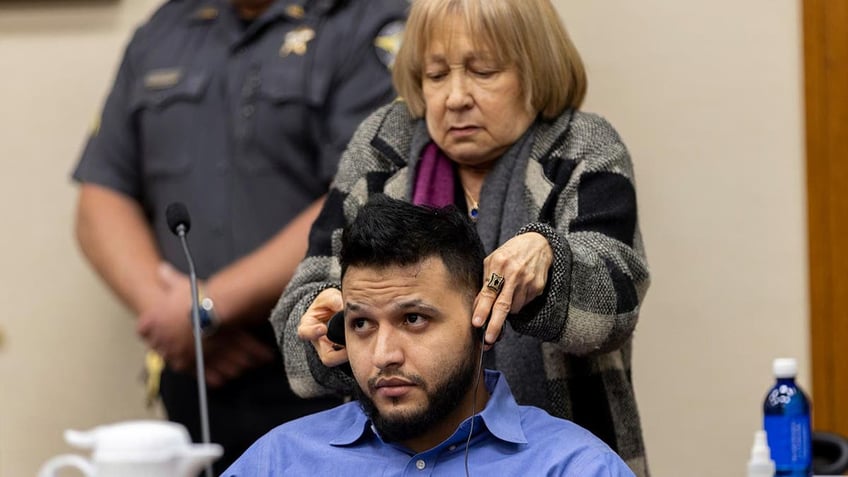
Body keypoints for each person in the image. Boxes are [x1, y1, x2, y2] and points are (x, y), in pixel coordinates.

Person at [271, 0, 652, 475]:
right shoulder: (383, 147)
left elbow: (613, 311)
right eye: (435, 76)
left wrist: (548, 262)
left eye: (483, 72)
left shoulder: (582, 146)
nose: (455, 98)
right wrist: (340, 323)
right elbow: (297, 328)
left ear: (536, 70)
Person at [72, 0, 408, 472]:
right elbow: (100, 197)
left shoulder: (366, 22)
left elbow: (364, 190)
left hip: (324, 363)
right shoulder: (166, 28)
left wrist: (209, 307)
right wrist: (180, 319)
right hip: (195, 370)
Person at [225, 195, 635, 476]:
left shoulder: (571, 466)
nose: (383, 355)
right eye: (361, 324)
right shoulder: (281, 460)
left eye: (414, 319)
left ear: (483, 317)